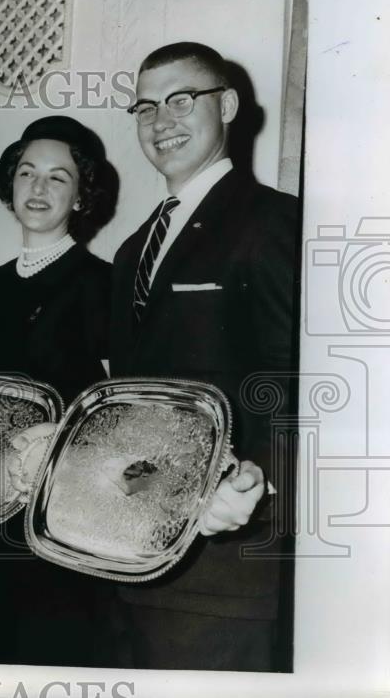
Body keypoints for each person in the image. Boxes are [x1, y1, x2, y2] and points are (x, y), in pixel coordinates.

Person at [109, 41, 299, 671]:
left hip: (230, 565)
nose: (161, 121)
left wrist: (255, 477)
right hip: (137, 559)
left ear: (229, 105)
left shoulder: (274, 222)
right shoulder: (132, 251)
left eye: (181, 100)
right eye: (144, 107)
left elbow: (297, 379)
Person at [0, 116, 119, 666]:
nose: (39, 188)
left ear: (80, 195)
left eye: (57, 177)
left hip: (66, 513)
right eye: (27, 173)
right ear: (10, 185)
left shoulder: (101, 283)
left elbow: (115, 409)